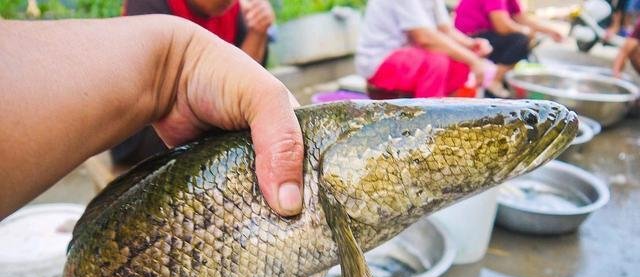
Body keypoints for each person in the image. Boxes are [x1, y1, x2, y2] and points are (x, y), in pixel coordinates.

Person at [0, 15, 303, 220]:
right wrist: (172, 64)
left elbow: (254, 64)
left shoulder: (240, 13)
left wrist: (257, 32)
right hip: (149, 124)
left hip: (204, 111)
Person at [111, 0, 275, 167]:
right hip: (145, 127)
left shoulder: (233, 10)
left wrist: (257, 32)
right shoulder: (148, 5)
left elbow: (248, 84)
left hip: (205, 119)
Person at [355, 0, 495, 100]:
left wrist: (471, 45)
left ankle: (445, 114)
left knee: (460, 63)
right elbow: (424, 37)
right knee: (436, 61)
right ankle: (428, 123)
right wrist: (473, 60)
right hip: (380, 61)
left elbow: (445, 29)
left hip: (411, 57)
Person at [455, 0, 564, 97]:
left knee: (524, 43)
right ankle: (494, 79)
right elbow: (502, 25)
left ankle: (497, 79)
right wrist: (526, 32)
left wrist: (549, 30)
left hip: (487, 36)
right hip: (469, 37)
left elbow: (520, 17)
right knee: (521, 40)